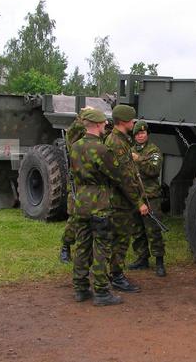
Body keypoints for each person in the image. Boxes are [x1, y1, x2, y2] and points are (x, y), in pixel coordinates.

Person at [69, 108, 130, 306]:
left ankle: (80, 288)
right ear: (96, 125)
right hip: (100, 203)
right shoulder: (102, 149)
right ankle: (102, 291)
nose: (106, 126)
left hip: (81, 202)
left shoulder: (75, 146)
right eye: (103, 123)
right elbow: (117, 174)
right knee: (102, 247)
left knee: (82, 245)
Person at [105, 105, 149, 292]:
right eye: (131, 120)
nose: (133, 123)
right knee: (121, 239)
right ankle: (116, 276)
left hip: (120, 199)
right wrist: (138, 202)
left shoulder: (121, 140)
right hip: (120, 201)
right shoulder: (117, 143)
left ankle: (112, 273)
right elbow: (124, 178)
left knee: (118, 238)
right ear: (123, 122)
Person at [127, 120, 166, 277]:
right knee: (137, 230)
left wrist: (139, 159)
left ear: (147, 134)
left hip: (151, 197)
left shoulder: (153, 150)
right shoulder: (130, 150)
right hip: (135, 196)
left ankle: (159, 262)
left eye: (142, 133)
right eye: (137, 133)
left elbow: (154, 170)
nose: (140, 136)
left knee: (153, 231)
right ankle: (142, 258)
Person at [59, 107, 95, 263]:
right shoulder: (74, 140)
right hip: (78, 185)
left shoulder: (95, 139)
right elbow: (73, 132)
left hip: (93, 185)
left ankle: (89, 250)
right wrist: (83, 116)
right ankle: (66, 246)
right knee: (75, 219)